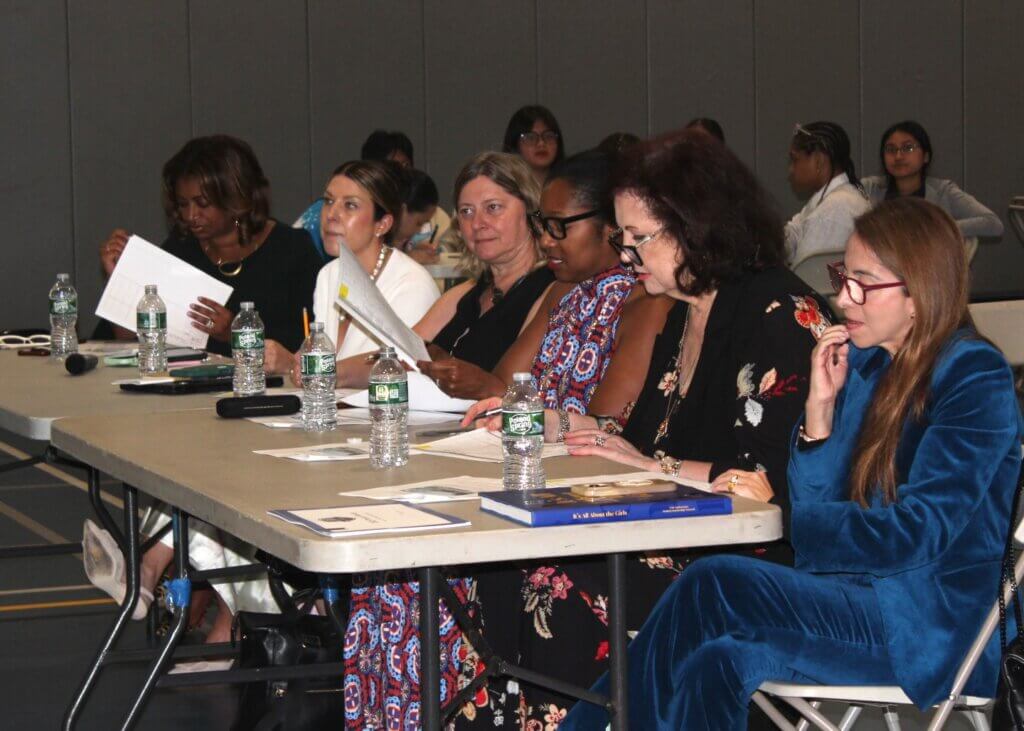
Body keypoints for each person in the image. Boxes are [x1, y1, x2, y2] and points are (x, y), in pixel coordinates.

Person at [562, 197, 1023, 730]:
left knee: (712, 584)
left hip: (928, 626)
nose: (842, 297)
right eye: (840, 276)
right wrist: (818, 415)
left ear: (919, 293)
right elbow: (816, 508)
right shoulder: (869, 363)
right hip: (852, 597)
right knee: (716, 662)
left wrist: (804, 526)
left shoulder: (973, 375)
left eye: (862, 284)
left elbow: (915, 534)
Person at [456, 131, 828, 726]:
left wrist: (654, 468)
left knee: (556, 579)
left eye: (639, 241)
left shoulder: (778, 316)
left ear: (695, 228)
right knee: (495, 570)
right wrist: (556, 424)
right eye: (623, 240)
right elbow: (644, 441)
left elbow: (770, 481)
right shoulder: (683, 310)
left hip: (749, 563)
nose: (626, 257)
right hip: (680, 532)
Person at [429, 149, 671, 420]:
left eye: (558, 226)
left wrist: (491, 391)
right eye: (542, 225)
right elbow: (505, 386)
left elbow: (605, 424)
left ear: (611, 226)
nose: (545, 240)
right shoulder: (564, 291)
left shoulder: (649, 301)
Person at [333, 151, 554, 390]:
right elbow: (396, 359)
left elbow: (512, 389)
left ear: (530, 210)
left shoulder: (552, 289)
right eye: (466, 211)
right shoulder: (463, 294)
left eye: (493, 208)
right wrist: (325, 371)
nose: (477, 223)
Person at [96, 135, 320, 355]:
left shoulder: (291, 249)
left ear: (236, 198)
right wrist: (120, 278)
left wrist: (236, 334)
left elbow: (311, 340)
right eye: (183, 204)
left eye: (203, 203)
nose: (191, 215)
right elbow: (127, 339)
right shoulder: (181, 248)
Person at [265, 160, 439, 374]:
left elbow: (397, 369)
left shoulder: (412, 284)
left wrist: (296, 365)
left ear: (382, 224)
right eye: (329, 201)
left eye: (350, 205)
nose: (331, 215)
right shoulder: (329, 275)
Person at [862, 120, 1004, 238]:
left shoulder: (943, 191)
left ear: (925, 156)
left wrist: (934, 229)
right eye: (891, 149)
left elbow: (993, 224)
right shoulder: (870, 187)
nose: (898, 156)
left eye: (908, 148)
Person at [784, 121, 870, 266]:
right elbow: (793, 235)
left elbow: (806, 275)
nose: (791, 170)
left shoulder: (835, 208)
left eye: (795, 160)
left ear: (819, 161)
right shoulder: (831, 198)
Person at [503, 104, 566, 186]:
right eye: (530, 138)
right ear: (515, 144)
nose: (541, 144)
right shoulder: (504, 188)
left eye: (548, 136)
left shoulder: (569, 186)